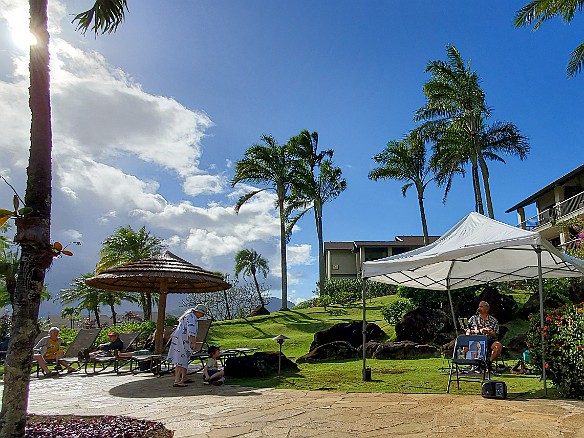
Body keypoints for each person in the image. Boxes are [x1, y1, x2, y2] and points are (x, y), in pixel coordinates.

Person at [167, 304, 208, 387]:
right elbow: (191, 332)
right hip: (182, 340)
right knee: (180, 359)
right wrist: (193, 343)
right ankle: (177, 380)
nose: (202, 316)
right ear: (199, 312)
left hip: (180, 339)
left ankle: (184, 377)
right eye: (203, 314)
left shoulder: (189, 315)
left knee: (184, 358)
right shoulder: (192, 318)